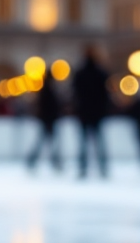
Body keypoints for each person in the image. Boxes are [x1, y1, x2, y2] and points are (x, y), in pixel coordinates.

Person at [72, 47, 111, 178]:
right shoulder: (101, 73)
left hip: (84, 113)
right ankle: (103, 167)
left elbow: (75, 94)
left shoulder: (80, 74)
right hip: (96, 113)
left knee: (84, 142)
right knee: (99, 141)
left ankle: (83, 167)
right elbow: (106, 95)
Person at [26, 71, 63, 172]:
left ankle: (53, 162)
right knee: (49, 143)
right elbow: (49, 106)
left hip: (47, 120)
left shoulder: (46, 89)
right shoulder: (48, 90)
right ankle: (55, 162)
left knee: (45, 142)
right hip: (48, 120)